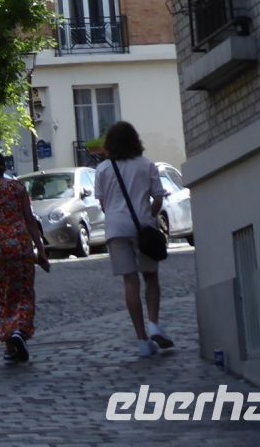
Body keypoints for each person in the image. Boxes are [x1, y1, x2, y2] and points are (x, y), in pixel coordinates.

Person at [94, 120, 173, 357]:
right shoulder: (146, 165)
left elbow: (103, 204)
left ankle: (142, 340)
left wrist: (117, 216)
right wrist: (148, 214)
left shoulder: (103, 170)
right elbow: (158, 198)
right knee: (151, 277)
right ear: (135, 141)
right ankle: (154, 324)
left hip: (116, 230)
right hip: (143, 228)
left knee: (130, 283)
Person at [0, 150, 49, 362]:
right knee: (23, 291)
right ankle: (19, 332)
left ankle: (10, 345)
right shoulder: (17, 188)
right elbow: (30, 220)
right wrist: (40, 250)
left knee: (2, 293)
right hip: (20, 245)